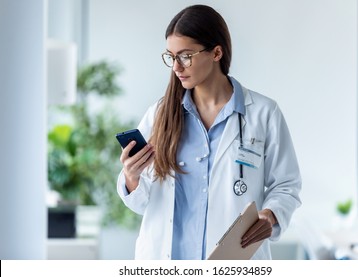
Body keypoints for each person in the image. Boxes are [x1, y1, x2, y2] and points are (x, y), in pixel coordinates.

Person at [117, 4, 301, 260]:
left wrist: (271, 215)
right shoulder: (160, 115)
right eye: (171, 56)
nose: (176, 67)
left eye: (185, 56)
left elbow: (286, 184)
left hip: (232, 261)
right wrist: (131, 177)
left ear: (216, 53)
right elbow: (140, 202)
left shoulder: (262, 113)